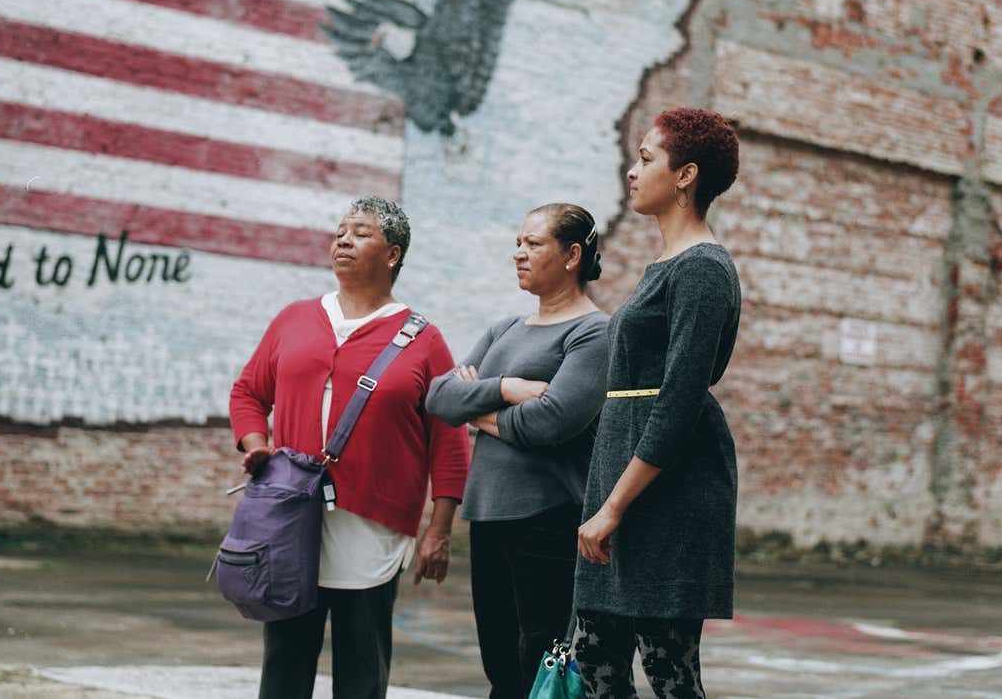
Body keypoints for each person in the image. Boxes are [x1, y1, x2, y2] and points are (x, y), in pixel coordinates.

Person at [228, 196, 469, 699]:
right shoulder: (294, 318)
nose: (343, 240)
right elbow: (248, 392)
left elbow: (449, 439)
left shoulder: (423, 339)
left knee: (362, 666)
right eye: (340, 231)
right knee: (285, 662)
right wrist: (257, 446)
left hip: (374, 525)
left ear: (393, 255)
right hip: (291, 517)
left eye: (360, 233)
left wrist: (439, 529)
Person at [572, 109, 742, 699]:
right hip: (622, 481)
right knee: (596, 663)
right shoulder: (667, 266)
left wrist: (614, 506)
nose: (632, 170)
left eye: (646, 159)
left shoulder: (703, 270)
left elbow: (679, 401)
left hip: (667, 493)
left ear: (686, 175)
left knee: (668, 671)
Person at [427, 203, 611, 699]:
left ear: (572, 255)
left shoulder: (594, 332)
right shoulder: (504, 329)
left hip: (548, 518)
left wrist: (477, 409)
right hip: (488, 516)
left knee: (542, 664)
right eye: (518, 243)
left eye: (533, 244)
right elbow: (439, 398)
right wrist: (507, 387)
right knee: (500, 667)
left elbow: (551, 421)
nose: (518, 254)